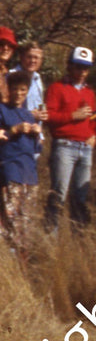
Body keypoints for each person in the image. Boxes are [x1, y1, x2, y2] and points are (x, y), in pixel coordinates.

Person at [45, 46, 96, 229]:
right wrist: (72, 116)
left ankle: (78, 239)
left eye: (85, 68)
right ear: (69, 66)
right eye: (78, 67)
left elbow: (93, 117)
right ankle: (51, 237)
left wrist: (93, 134)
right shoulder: (57, 88)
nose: (82, 72)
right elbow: (49, 117)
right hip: (65, 146)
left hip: (85, 148)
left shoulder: (89, 92)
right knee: (58, 194)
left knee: (80, 196)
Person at [0, 74, 42, 257]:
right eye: (15, 89)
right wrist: (13, 130)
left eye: (22, 90)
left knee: (27, 218)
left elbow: (36, 147)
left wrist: (37, 133)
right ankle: (10, 257)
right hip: (11, 168)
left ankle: (22, 259)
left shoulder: (28, 115)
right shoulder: (2, 110)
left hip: (29, 171)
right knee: (12, 216)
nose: (18, 93)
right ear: (9, 90)